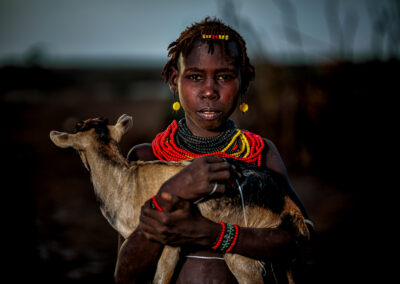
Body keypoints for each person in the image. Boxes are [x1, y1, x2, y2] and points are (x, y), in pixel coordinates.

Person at [114, 17, 313, 283]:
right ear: (175, 80)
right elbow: (126, 274)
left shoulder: (260, 153)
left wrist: (214, 234)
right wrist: (170, 193)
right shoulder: (147, 159)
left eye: (225, 77)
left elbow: (303, 243)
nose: (209, 91)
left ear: (245, 80)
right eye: (195, 77)